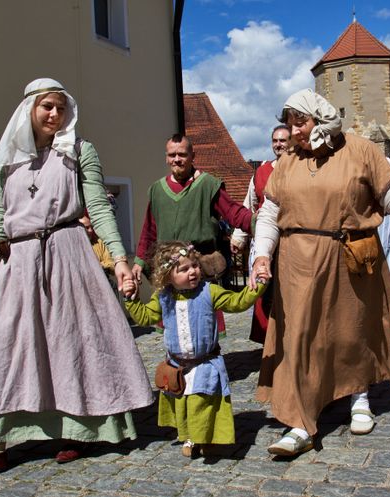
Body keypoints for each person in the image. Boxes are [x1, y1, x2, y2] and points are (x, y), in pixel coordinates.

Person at [0, 79, 154, 477]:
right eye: (47, 107)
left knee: (72, 343)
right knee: (3, 349)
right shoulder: (10, 159)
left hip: (68, 252)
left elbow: (97, 204)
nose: (54, 114)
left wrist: (120, 257)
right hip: (19, 262)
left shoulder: (79, 151)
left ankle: (80, 431)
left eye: (60, 107)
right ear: (30, 110)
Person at [248, 89, 390, 456]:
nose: (294, 131)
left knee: (351, 330)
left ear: (321, 119)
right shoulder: (288, 161)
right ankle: (299, 422)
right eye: (290, 124)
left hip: (350, 256)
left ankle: (359, 397)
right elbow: (268, 211)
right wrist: (261, 254)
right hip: (297, 262)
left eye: (301, 122)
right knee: (298, 338)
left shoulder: (360, 150)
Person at [122, 242, 266, 457]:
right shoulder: (163, 298)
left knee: (202, 402)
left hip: (205, 362)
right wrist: (130, 299)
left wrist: (259, 285)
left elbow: (237, 302)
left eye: (195, 266)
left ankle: (205, 438)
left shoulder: (209, 291)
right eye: (184, 269)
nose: (193, 272)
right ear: (168, 276)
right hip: (177, 365)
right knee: (184, 404)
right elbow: (145, 317)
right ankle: (190, 437)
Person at [132, 134, 255, 333]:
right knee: (175, 328)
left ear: (192, 156)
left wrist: (259, 224)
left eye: (182, 154)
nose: (177, 159)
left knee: (204, 327)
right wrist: (139, 260)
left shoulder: (207, 185)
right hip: (171, 275)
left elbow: (233, 212)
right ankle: (177, 362)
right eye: (172, 155)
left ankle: (208, 362)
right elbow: (149, 230)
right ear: (166, 157)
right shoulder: (157, 190)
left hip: (200, 273)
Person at [231, 124, 291, 343]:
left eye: (283, 140)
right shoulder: (262, 171)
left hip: (292, 241)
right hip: (264, 242)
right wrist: (239, 236)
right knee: (264, 289)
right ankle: (267, 338)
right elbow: (249, 206)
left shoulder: (301, 169)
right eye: (275, 140)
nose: (278, 145)